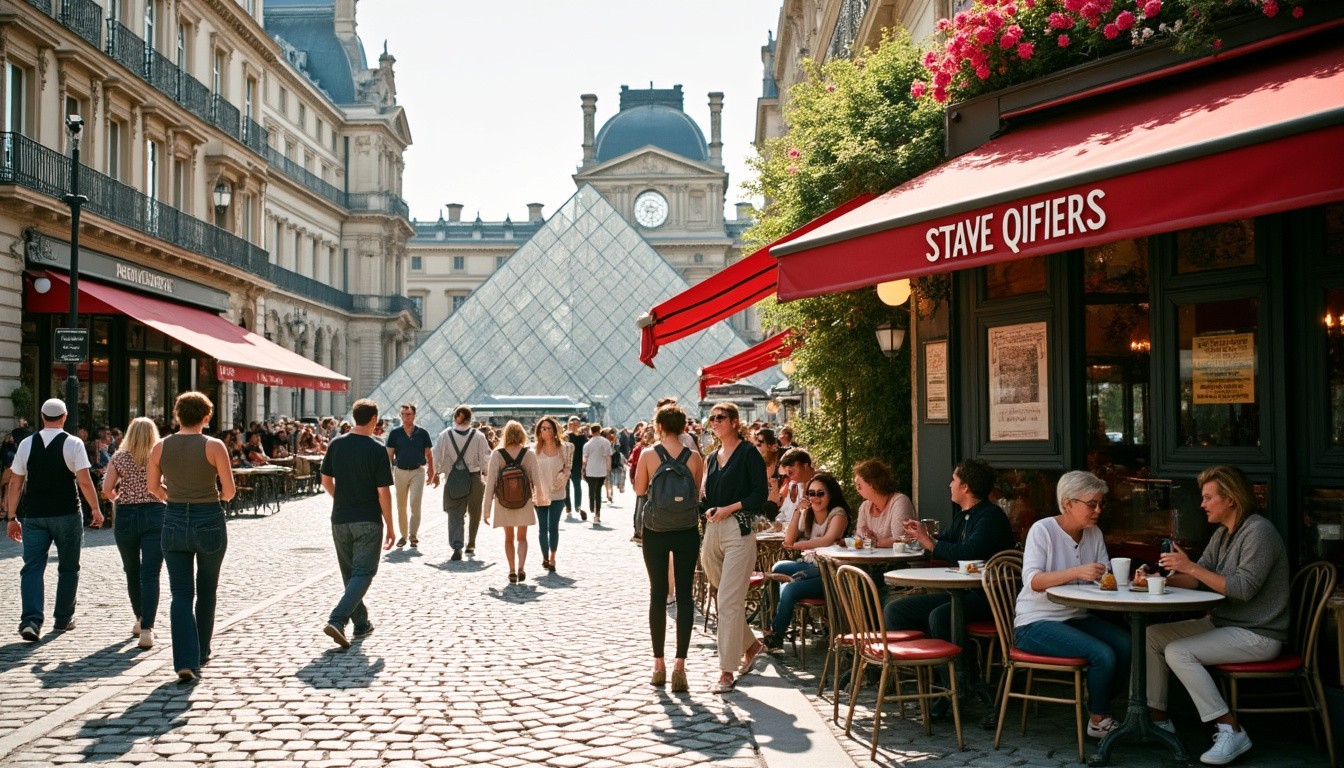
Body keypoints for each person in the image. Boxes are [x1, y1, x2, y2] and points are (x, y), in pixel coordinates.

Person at [1146, 466, 1290, 766]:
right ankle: (1158, 722)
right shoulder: (1223, 534)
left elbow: (1242, 588)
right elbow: (1198, 578)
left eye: (1208, 497)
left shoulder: (1259, 532)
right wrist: (1158, 580)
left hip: (1259, 633)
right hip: (1225, 625)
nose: (1202, 504)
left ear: (1231, 499)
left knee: (1179, 651)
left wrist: (1191, 568)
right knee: (1153, 635)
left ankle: (1230, 729)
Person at [1014, 470, 1129, 739]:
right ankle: (1099, 719)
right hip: (1036, 622)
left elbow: (1105, 577)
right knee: (1103, 653)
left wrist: (1123, 579)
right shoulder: (1042, 530)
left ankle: (1098, 701)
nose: (1098, 510)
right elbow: (1033, 581)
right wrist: (1076, 572)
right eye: (1092, 504)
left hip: (1076, 616)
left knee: (1125, 643)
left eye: (1101, 504)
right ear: (1068, 503)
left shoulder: (1094, 533)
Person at [887, 458, 1015, 698]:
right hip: (963, 593)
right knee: (897, 610)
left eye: (954, 480)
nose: (949, 485)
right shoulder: (964, 515)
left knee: (941, 616)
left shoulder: (991, 517)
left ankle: (956, 688)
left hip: (990, 598)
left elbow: (967, 552)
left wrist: (928, 541)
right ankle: (927, 679)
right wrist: (923, 534)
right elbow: (947, 540)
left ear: (965, 487)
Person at [148, 392, 235, 682]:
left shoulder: (160, 446)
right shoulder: (213, 445)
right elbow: (230, 491)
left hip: (173, 519)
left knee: (181, 594)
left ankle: (185, 660)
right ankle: (202, 651)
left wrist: (171, 496)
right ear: (206, 417)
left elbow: (152, 487)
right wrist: (217, 497)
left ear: (177, 416)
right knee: (207, 589)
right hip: (208, 517)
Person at [5, 399, 103, 641]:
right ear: (65, 416)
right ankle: (62, 618)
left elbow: (15, 483)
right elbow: (84, 481)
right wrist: (96, 509)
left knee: (31, 568)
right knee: (69, 567)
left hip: (35, 515)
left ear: (41, 417)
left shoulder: (27, 444)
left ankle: (31, 620)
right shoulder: (73, 443)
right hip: (67, 513)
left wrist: (11, 517)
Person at [633, 404, 704, 693]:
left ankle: (658, 665)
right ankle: (680, 667)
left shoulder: (650, 455)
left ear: (659, 427)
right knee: (685, 595)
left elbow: (639, 490)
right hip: (686, 530)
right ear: (684, 427)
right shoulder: (695, 457)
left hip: (656, 530)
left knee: (658, 594)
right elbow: (696, 493)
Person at [700, 402, 768, 693]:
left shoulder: (748, 453)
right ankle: (751, 646)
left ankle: (726, 672)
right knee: (724, 596)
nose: (715, 421)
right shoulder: (712, 457)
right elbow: (705, 494)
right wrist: (707, 508)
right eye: (712, 418)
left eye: (721, 417)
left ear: (736, 422)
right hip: (712, 530)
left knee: (727, 601)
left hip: (738, 530)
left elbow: (760, 494)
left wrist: (729, 508)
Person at [320, 399, 395, 648]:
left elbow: (326, 480)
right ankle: (338, 619)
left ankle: (361, 624)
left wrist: (339, 498)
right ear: (374, 420)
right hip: (367, 520)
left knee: (350, 574)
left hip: (340, 518)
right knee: (364, 573)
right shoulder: (376, 450)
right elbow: (383, 492)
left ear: (354, 418)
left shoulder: (336, 444)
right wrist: (391, 526)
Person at [762, 472, 850, 652]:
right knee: (778, 568)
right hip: (811, 564)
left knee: (790, 586)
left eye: (820, 493)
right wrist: (797, 512)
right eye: (811, 493)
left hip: (830, 573)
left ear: (830, 494)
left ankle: (777, 634)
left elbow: (828, 540)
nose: (815, 498)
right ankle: (774, 624)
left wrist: (799, 545)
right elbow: (788, 540)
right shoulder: (808, 514)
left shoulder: (838, 514)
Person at [102, 417, 167, 649]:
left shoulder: (119, 457)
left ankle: (139, 618)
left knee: (132, 570)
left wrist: (121, 497)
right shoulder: (159, 455)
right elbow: (165, 486)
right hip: (155, 514)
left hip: (127, 516)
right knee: (151, 573)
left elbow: (107, 490)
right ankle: (148, 629)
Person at [482, 421, 541, 583]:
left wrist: (486, 510)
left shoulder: (497, 454)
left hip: (503, 502)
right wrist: (540, 498)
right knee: (522, 537)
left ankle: (512, 570)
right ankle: (522, 567)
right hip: (524, 501)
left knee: (508, 538)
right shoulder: (529, 454)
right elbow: (537, 480)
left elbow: (490, 483)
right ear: (522, 434)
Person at [433, 406, 490, 560]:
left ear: (454, 417)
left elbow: (436, 454)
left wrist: (437, 472)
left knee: (455, 513)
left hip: (454, 478)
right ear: (470, 419)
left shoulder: (445, 435)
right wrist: (486, 473)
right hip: (474, 478)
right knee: (474, 512)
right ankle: (471, 544)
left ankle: (457, 546)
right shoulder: (478, 436)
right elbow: (485, 458)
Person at [385, 403, 435, 549]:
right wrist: (389, 472)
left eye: (408, 414)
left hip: (418, 471)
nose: (405, 417)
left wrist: (431, 470)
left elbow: (429, 454)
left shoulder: (422, 433)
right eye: (403, 414)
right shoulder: (395, 434)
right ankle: (403, 535)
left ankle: (413, 534)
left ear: (414, 415)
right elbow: (389, 455)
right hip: (400, 471)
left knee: (415, 502)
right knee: (401, 506)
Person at [531, 416, 571, 571]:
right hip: (540, 493)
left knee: (553, 526)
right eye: (541, 428)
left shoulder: (563, 448)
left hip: (557, 493)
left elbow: (568, 466)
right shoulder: (534, 449)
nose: (544, 431)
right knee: (542, 528)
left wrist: (566, 473)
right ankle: (545, 557)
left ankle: (553, 557)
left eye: (547, 428)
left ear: (554, 430)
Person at [854, 459, 916, 546]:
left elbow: (901, 539)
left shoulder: (899, 502)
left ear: (871, 483)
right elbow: (859, 537)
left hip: (897, 559)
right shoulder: (865, 506)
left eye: (859, 485)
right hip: (870, 558)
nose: (857, 488)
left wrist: (872, 542)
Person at [581, 423, 611, 524]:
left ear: (591, 431)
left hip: (590, 469)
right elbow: (608, 456)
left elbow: (585, 458)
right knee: (598, 492)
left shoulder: (587, 444)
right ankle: (597, 513)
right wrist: (608, 468)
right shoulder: (606, 442)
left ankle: (591, 507)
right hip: (601, 469)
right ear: (600, 430)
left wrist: (583, 468)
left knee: (591, 490)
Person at [776, 449, 815, 525]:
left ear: (804, 466)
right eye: (787, 475)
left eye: (791, 472)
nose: (789, 478)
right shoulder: (795, 484)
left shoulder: (820, 482)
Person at [565, 416, 588, 519]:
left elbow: (584, 451)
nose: (574, 425)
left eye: (576, 423)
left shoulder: (581, 437)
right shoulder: (565, 436)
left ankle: (577, 506)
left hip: (577, 463)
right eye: (571, 423)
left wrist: (583, 465)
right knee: (565, 486)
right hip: (565, 464)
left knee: (577, 485)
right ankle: (568, 506)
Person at [606, 428, 626, 500]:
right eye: (611, 432)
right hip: (608, 459)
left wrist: (615, 441)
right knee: (608, 477)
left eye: (613, 432)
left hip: (615, 459)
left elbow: (618, 449)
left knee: (622, 471)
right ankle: (609, 493)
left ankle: (620, 486)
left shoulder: (616, 441)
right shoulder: (606, 441)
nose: (612, 434)